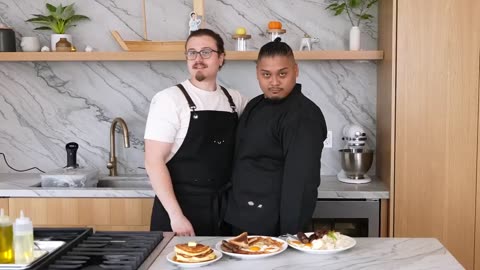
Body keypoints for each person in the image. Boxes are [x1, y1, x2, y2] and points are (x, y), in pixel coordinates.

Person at [144, 29, 248, 236]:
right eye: (192, 53)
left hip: (224, 210)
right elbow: (153, 161)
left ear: (221, 58)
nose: (198, 59)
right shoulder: (169, 99)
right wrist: (176, 216)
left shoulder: (235, 100)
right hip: (180, 212)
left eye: (206, 52)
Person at [224, 37, 327, 236]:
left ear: (295, 71)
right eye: (266, 74)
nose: (274, 82)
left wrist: (289, 236)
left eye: (282, 74)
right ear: (257, 74)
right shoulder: (254, 105)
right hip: (239, 217)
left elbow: (301, 184)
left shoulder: (304, 115)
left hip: (272, 226)